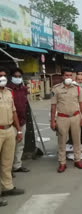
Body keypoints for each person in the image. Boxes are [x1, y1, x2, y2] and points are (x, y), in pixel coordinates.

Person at [50, 69, 82, 173]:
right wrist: (52, 121)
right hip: (62, 118)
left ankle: (77, 160)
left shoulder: (77, 89)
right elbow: (53, 107)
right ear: (62, 76)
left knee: (77, 140)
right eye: (66, 75)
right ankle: (62, 163)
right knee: (62, 141)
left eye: (70, 75)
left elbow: (81, 105)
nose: (68, 77)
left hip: (75, 117)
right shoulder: (56, 89)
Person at [0, 67, 24, 206]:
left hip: (9, 129)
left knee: (7, 162)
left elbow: (14, 111)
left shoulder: (9, 92)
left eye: (4, 76)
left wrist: (19, 130)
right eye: (0, 76)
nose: (2, 79)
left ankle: (7, 187)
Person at [6, 68, 30, 173]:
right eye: (15, 76)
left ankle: (17, 165)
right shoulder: (8, 90)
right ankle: (7, 169)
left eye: (19, 76)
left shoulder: (24, 89)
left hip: (22, 121)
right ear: (11, 77)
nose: (18, 78)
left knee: (20, 145)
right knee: (9, 147)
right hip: (11, 123)